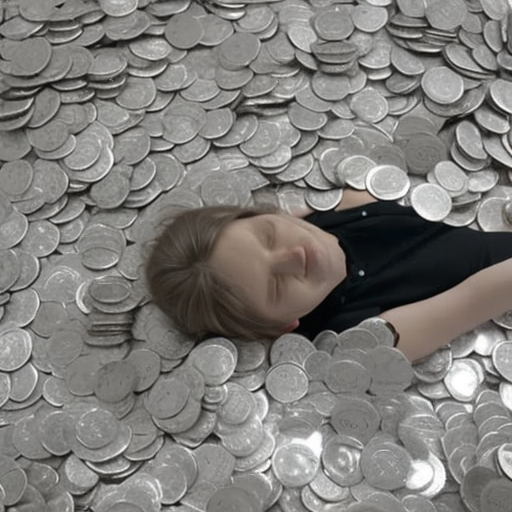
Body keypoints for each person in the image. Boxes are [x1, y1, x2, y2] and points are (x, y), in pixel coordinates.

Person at [145, 188, 512, 362]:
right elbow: (480, 296)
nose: (294, 255)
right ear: (282, 327)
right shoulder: (365, 334)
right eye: (276, 284)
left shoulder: (327, 215)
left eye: (268, 235)